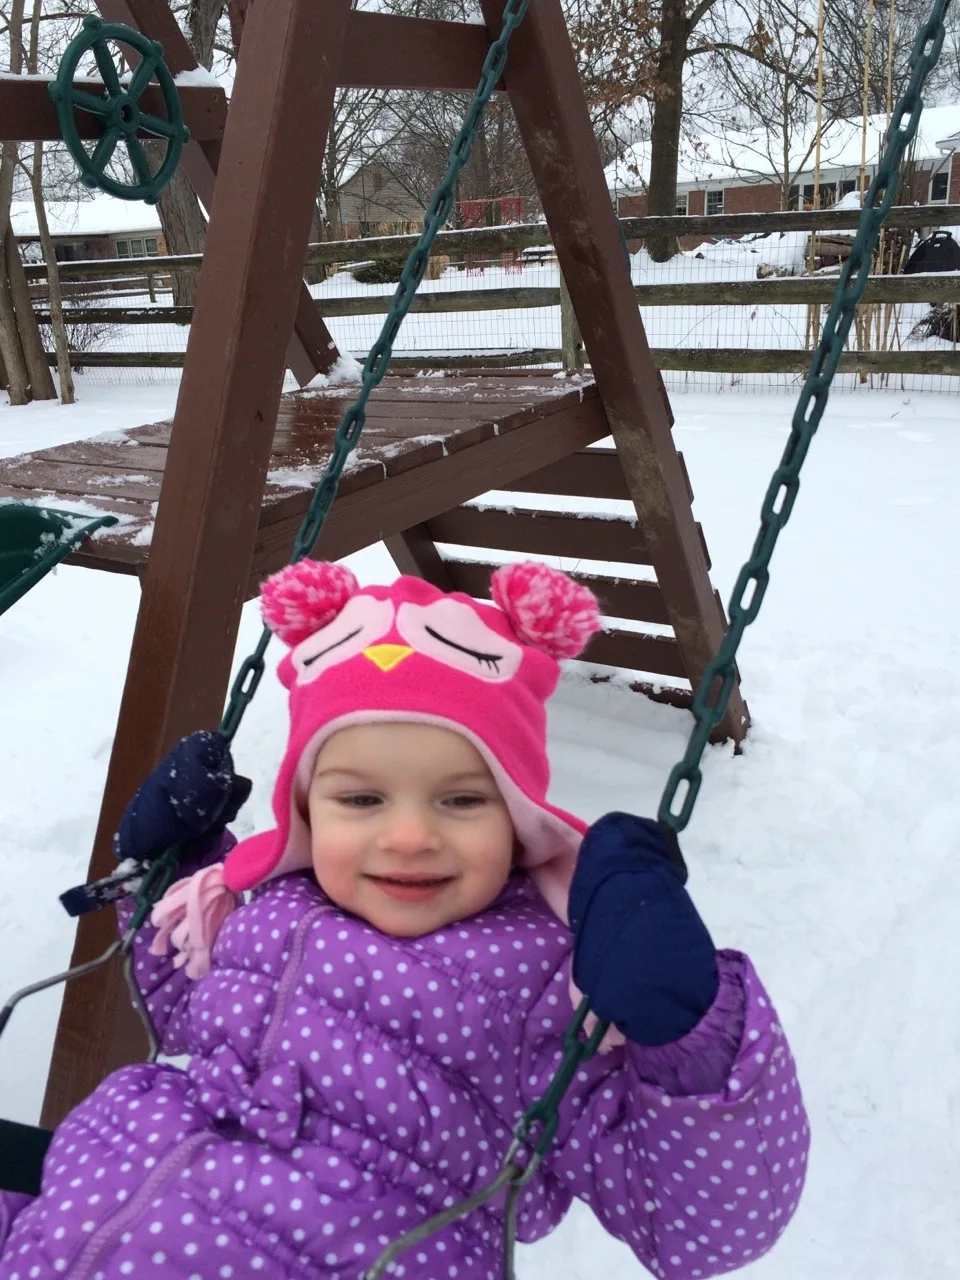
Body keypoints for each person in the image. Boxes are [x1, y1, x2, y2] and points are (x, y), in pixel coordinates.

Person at [0, 560, 809, 1280]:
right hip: (74, 1211)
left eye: (461, 800)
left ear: (519, 817)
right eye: (361, 799)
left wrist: (689, 1036)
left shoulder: (544, 984)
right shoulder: (274, 900)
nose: (411, 836)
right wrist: (172, 872)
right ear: (307, 811)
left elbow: (699, 1231)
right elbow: (184, 1012)